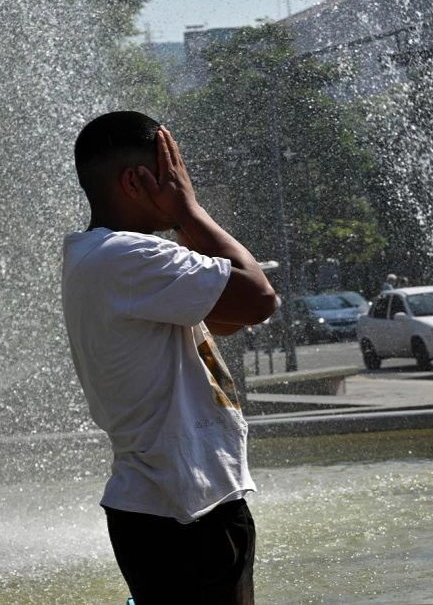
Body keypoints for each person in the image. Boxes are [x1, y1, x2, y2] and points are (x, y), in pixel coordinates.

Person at [62, 111, 277, 604]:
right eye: (173, 172)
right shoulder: (128, 258)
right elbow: (260, 299)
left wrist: (183, 220)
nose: (182, 182)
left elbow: (227, 318)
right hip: (184, 511)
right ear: (137, 180)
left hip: (175, 503)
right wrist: (190, 212)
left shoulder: (107, 259)